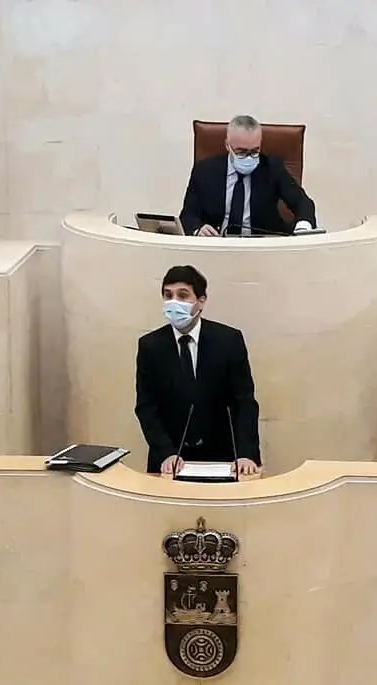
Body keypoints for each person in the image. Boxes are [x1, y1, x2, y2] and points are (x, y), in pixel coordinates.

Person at [134, 265, 262, 476]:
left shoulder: (228, 341)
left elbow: (244, 402)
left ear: (201, 300)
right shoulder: (151, 346)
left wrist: (246, 453)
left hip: (222, 456)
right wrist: (166, 452)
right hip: (171, 459)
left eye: (183, 295)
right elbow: (146, 407)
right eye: (168, 295)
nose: (174, 302)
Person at [180, 114, 317, 236]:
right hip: (218, 245)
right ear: (228, 146)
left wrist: (303, 226)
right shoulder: (204, 170)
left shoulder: (271, 168)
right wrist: (198, 229)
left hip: (261, 246)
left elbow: (302, 203)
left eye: (254, 151)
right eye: (241, 152)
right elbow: (188, 215)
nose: (249, 158)